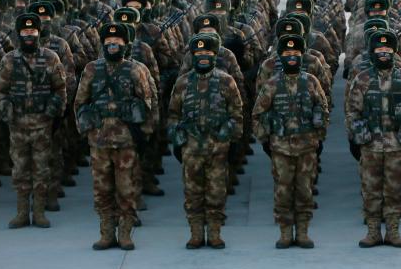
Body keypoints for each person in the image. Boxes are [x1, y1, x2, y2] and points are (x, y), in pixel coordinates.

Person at [74, 22, 154, 251]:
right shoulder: (91, 69)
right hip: (99, 142)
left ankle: (126, 233)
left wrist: (143, 136)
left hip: (126, 141)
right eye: (108, 41)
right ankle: (107, 233)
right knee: (102, 190)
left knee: (126, 189)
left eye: (117, 41)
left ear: (125, 44)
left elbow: (147, 103)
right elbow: (80, 102)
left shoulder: (134, 70)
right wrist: (86, 130)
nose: (112, 45)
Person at [345, 30, 401, 248]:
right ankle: (372, 231)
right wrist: (358, 138)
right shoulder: (362, 79)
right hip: (370, 146)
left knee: (394, 190)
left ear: (394, 52)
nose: (383, 53)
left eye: (387, 49)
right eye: (379, 50)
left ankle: (393, 231)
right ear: (372, 52)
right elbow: (352, 111)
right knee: (371, 190)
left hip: (396, 146)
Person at [252, 35, 329, 249]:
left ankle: (303, 232)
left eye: (295, 54)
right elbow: (258, 114)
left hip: (307, 147)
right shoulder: (272, 84)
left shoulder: (311, 82)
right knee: (283, 191)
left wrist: (319, 137)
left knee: (305, 190)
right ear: (281, 57)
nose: (292, 57)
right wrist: (266, 140)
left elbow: (322, 110)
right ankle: (285, 232)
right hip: (280, 148)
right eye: (287, 54)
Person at [168, 33, 243, 249]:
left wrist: (228, 133)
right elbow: (173, 114)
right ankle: (196, 233)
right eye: (199, 53)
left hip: (217, 149)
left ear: (214, 55)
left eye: (207, 53)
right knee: (192, 194)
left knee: (216, 192)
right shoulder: (183, 83)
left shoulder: (226, 81)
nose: (203, 56)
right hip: (191, 149)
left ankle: (215, 233)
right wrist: (177, 136)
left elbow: (237, 113)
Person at [0, 13, 66, 229]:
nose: (28, 36)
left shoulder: (51, 58)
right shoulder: (8, 60)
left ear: (39, 33)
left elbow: (60, 89)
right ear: (18, 34)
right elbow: (0, 91)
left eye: (32, 32)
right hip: (17, 125)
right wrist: (6, 111)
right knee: (20, 169)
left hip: (42, 124)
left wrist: (54, 109)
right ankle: (22, 212)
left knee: (42, 169)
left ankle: (40, 212)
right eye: (24, 32)